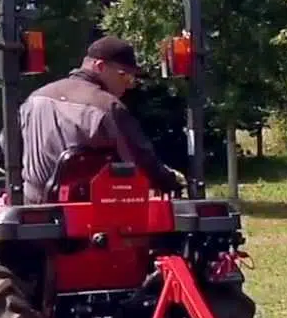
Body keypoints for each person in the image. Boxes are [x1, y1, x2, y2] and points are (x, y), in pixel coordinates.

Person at [14, 36, 185, 202]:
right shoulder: (107, 106)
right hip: (90, 214)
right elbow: (141, 160)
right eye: (124, 76)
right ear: (100, 66)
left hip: (34, 211)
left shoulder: (34, 99)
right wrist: (170, 182)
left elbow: (8, 148)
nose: (129, 84)